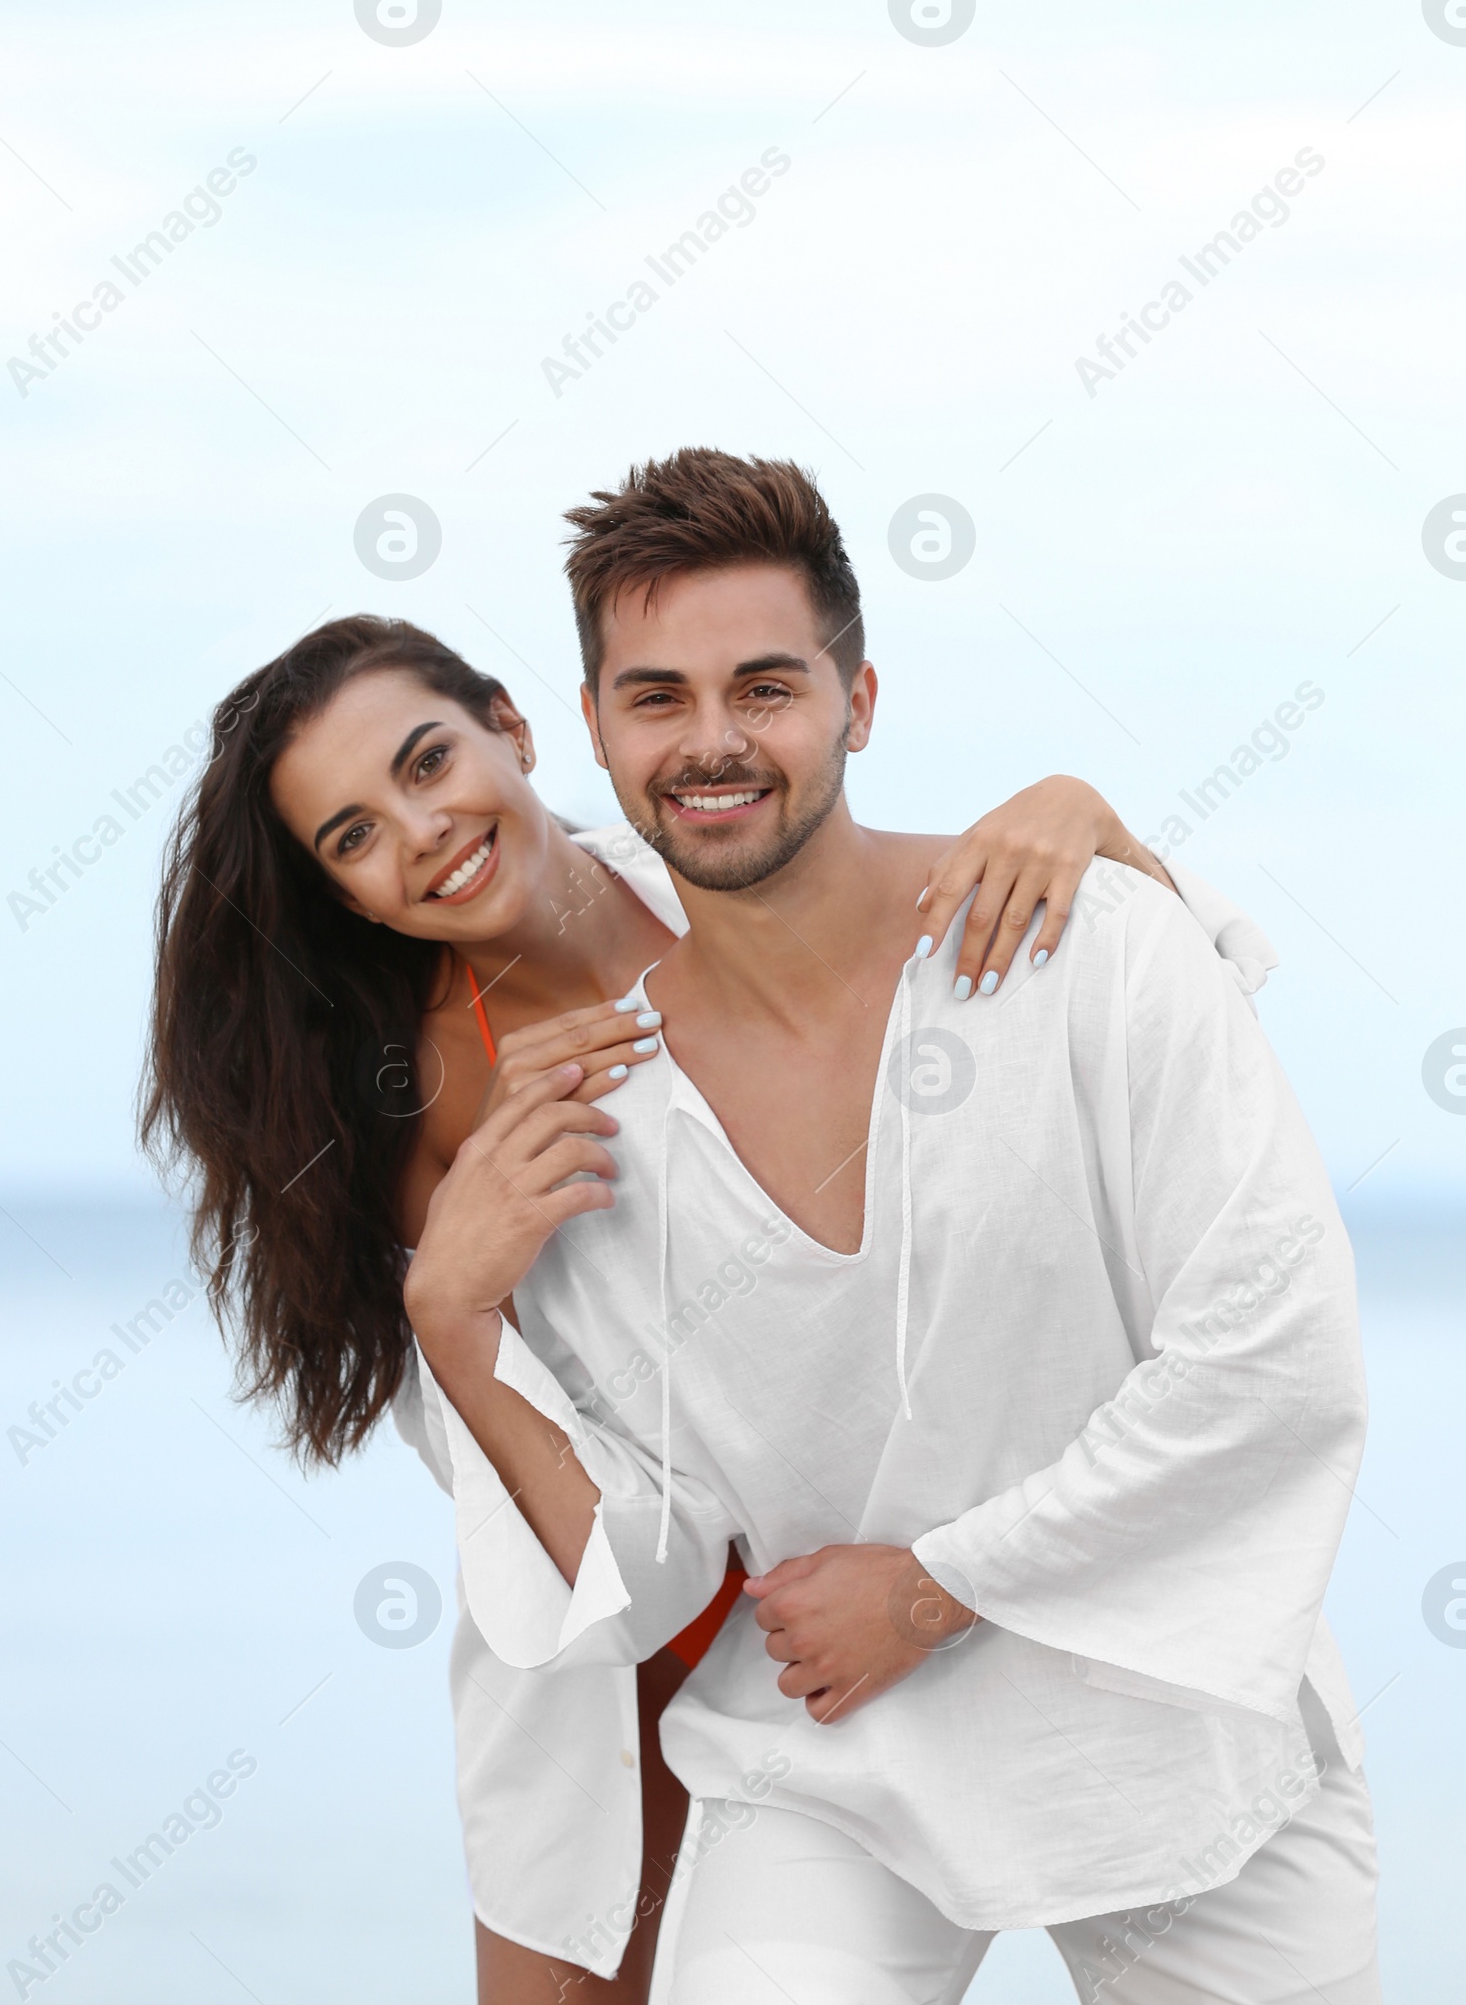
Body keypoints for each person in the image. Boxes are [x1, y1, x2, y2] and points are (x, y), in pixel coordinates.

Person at [142, 600, 1262, 2003]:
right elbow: (498, 1437)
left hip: (887, 1573)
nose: (417, 831)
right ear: (347, 898)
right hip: (632, 1625)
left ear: (514, 722)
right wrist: (445, 1302)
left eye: (424, 764)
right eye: (353, 836)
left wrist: (1082, 815)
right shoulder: (432, 1099)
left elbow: (1161, 1016)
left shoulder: (723, 873)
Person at [405, 450, 1380, 2004]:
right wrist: (450, 1326)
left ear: (859, 702)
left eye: (766, 687)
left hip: (1174, 1716)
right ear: (592, 729)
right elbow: (654, 1563)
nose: (713, 741)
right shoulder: (596, 1123)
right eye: (656, 697)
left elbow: (1279, 1366)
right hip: (832, 1757)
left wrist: (938, 1586)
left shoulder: (1097, 944)